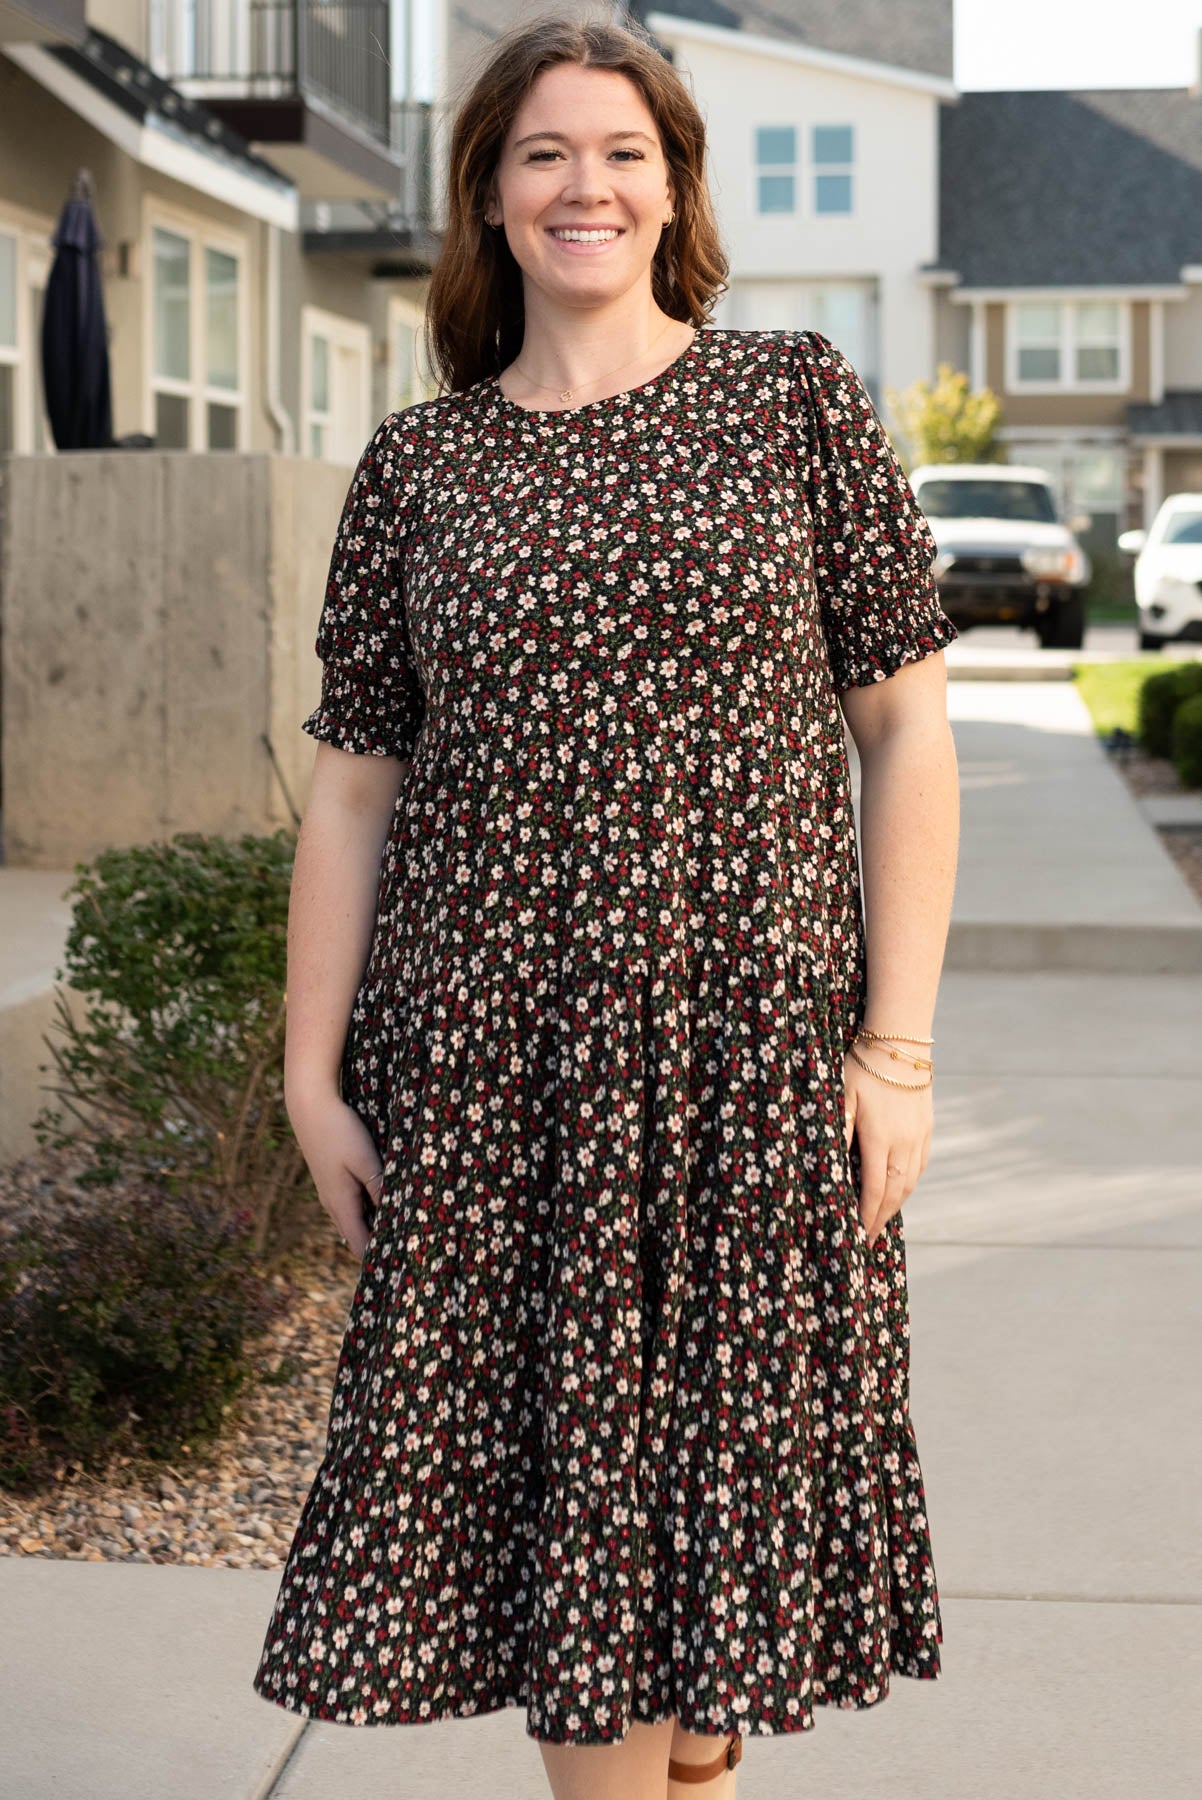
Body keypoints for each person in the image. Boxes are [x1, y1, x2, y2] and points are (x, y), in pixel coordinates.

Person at [252, 12, 960, 1799]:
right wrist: (310, 1078)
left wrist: (895, 1049)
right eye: (545, 153)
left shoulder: (789, 398)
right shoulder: (423, 470)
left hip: (745, 1068)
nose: (587, 185)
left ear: (674, 186)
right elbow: (352, 787)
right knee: (582, 1585)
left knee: (715, 1600)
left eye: (623, 151)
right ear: (488, 197)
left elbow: (908, 733)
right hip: (500, 1084)